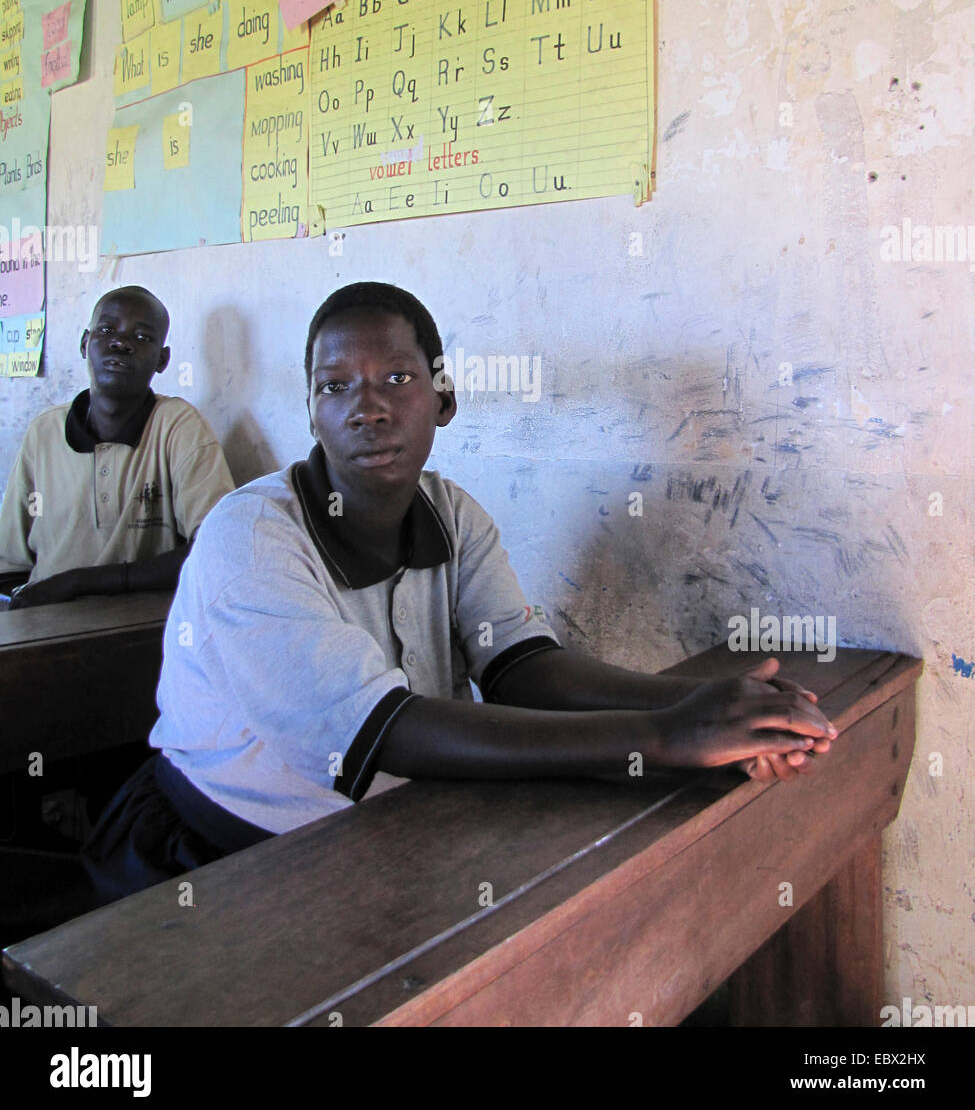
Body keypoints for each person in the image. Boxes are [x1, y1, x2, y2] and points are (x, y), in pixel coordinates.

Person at [84, 282, 836, 900]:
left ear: (443, 399)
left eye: (398, 380)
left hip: (384, 826)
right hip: (221, 858)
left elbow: (522, 667)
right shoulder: (251, 538)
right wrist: (666, 739)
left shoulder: (451, 515)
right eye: (334, 386)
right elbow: (388, 730)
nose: (366, 407)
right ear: (312, 412)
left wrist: (687, 709)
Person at [0, 285, 236, 608]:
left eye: (141, 337)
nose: (121, 343)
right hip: (46, 631)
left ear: (163, 360)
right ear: (85, 344)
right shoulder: (43, 434)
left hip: (138, 637)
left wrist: (79, 583)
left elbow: (215, 549)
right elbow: (10, 566)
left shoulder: (178, 427)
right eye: (108, 329)